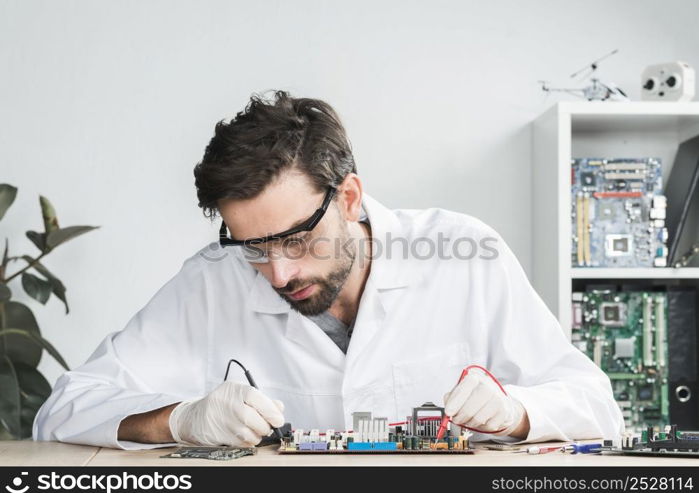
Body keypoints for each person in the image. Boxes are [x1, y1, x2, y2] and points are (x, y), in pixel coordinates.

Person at [33, 91, 623, 449]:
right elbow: (63, 409)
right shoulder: (212, 280)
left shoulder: (466, 253)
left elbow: (599, 406)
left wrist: (519, 413)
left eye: (296, 239)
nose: (278, 273)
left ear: (348, 199)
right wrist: (179, 420)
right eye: (253, 246)